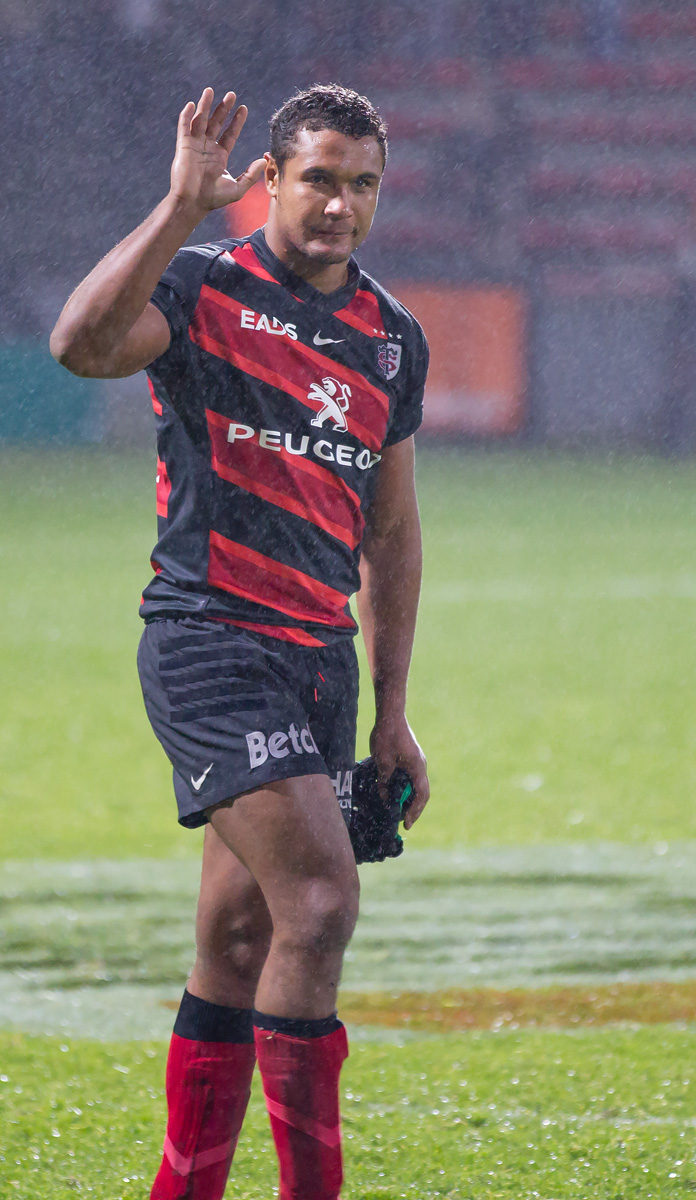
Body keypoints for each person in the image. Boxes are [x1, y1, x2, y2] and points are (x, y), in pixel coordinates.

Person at [50, 83, 430, 1200]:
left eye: (363, 184)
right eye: (319, 179)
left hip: (319, 662)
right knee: (321, 903)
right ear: (269, 179)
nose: (341, 205)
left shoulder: (392, 338)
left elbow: (392, 532)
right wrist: (178, 207)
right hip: (210, 639)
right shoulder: (204, 282)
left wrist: (392, 713)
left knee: (235, 939)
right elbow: (80, 346)